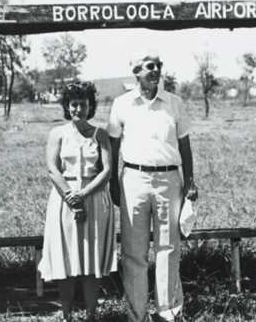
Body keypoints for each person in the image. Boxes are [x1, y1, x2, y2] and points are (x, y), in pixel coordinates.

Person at [108, 52, 199, 322]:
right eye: (149, 66)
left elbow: (184, 145)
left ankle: (167, 312)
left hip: (170, 181)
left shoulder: (174, 103)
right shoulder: (122, 104)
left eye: (158, 66)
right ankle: (137, 315)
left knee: (168, 248)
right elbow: (112, 147)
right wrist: (113, 181)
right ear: (136, 71)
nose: (156, 70)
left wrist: (190, 182)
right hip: (133, 180)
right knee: (134, 252)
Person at [39, 82, 117, 321]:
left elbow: (107, 171)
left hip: (94, 198)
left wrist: (83, 195)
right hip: (64, 199)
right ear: (67, 107)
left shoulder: (100, 134)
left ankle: (92, 315)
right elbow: (52, 168)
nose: (78, 109)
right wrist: (70, 196)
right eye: (74, 104)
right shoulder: (58, 134)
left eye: (83, 104)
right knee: (66, 258)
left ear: (90, 106)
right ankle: (66, 315)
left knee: (91, 259)